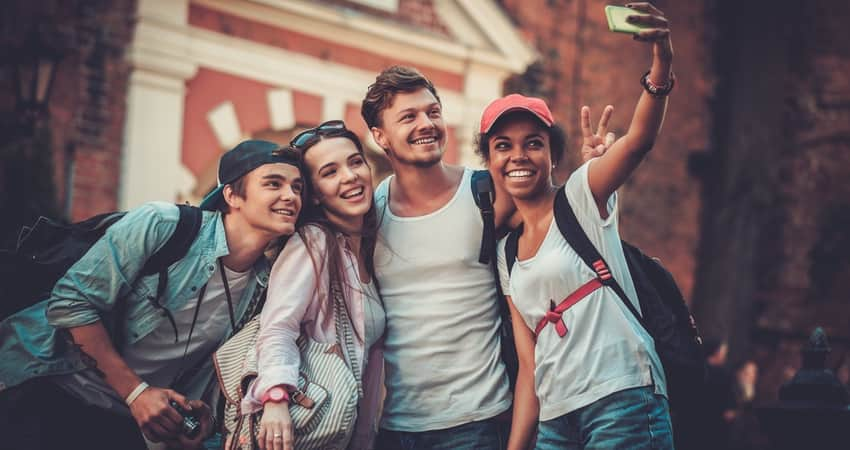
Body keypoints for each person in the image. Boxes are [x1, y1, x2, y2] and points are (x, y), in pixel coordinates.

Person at [360, 65, 609, 449]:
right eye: (408, 116)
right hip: (396, 427)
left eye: (433, 112)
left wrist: (595, 170)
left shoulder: (486, 193)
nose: (426, 123)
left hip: (478, 423)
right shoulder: (369, 215)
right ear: (380, 136)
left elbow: (561, 213)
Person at [0, 140, 305, 450]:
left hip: (124, 423)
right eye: (273, 183)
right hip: (50, 391)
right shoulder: (162, 224)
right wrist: (136, 393)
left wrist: (203, 416)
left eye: (297, 188)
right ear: (232, 195)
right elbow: (70, 303)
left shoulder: (265, 287)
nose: (290, 196)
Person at [477, 3, 676, 448]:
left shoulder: (581, 197)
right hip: (556, 419)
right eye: (503, 146)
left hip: (622, 398)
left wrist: (661, 64)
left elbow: (639, 140)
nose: (518, 156)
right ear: (489, 161)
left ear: (553, 154)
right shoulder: (506, 253)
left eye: (534, 143)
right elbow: (530, 370)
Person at [239, 121, 386, 450]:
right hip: (305, 424)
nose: (349, 176)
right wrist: (276, 396)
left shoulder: (367, 246)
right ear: (315, 195)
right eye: (330, 172)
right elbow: (277, 326)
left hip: (348, 433)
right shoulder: (314, 241)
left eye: (355, 162)